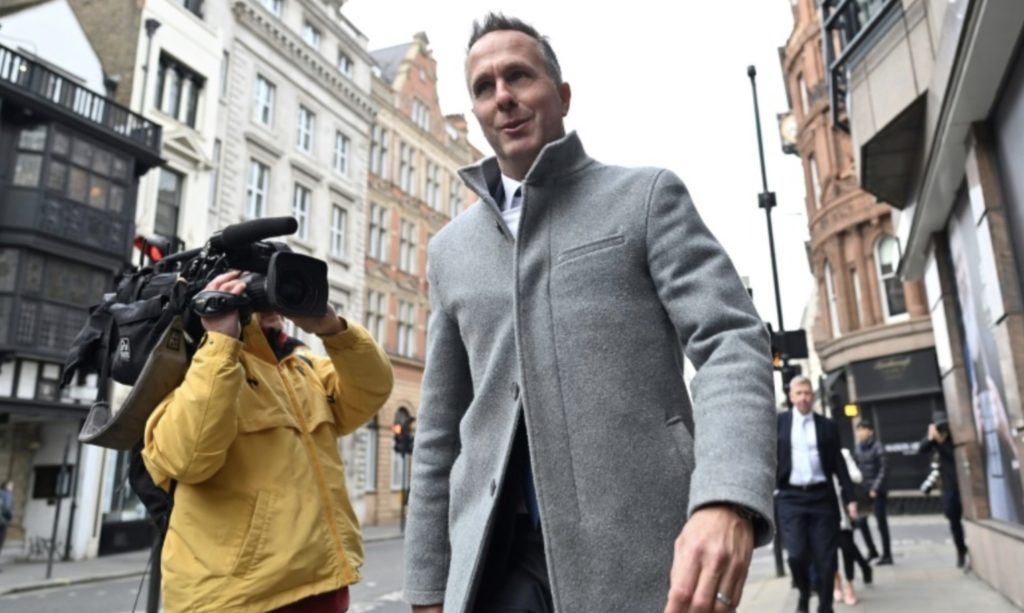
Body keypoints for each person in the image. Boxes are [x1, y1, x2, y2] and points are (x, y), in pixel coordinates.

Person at [403, 13, 777, 613]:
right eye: (484, 87)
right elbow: (439, 428)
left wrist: (726, 495)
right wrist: (427, 587)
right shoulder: (450, 252)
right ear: (474, 111)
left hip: (639, 552)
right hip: (497, 567)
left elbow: (730, 339)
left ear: (562, 95)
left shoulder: (645, 197)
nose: (503, 97)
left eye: (519, 76)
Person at [142, 271, 394, 613]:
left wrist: (333, 328)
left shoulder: (300, 366)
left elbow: (372, 390)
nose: (275, 300)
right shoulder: (200, 364)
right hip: (237, 601)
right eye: (262, 287)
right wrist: (219, 341)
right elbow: (186, 460)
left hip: (323, 586)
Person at [776, 376, 857, 613]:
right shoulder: (779, 423)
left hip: (822, 498)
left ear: (812, 396)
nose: (804, 398)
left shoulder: (827, 426)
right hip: (791, 497)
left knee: (826, 558)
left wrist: (850, 499)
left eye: (807, 393)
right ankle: (804, 593)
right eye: (799, 393)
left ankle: (825, 606)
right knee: (796, 555)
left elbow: (839, 464)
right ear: (791, 396)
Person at [918, 418, 969, 568]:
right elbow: (922, 449)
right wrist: (930, 437)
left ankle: (966, 547)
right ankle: (961, 549)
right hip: (949, 487)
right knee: (953, 518)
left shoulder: (954, 441)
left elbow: (954, 455)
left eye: (943, 432)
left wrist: (941, 442)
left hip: (963, 484)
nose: (941, 435)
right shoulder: (935, 441)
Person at [833, 449, 871, 606]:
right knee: (829, 550)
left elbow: (857, 476)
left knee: (847, 548)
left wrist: (841, 474)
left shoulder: (843, 453)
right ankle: (836, 580)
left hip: (844, 511)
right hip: (823, 510)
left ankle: (849, 585)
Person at [852, 420, 892, 565]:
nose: (859, 433)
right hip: (863, 492)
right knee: (862, 522)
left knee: (881, 524)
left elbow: (884, 469)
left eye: (862, 429)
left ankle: (887, 555)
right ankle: (872, 550)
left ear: (870, 432)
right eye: (858, 430)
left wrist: (875, 488)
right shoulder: (858, 449)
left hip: (877, 492)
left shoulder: (878, 447)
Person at [0, 480, 12, 568]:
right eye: (11, 485)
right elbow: (7, 508)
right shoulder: (7, 495)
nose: (12, 488)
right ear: (6, 486)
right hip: (2, 522)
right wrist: (9, 517)